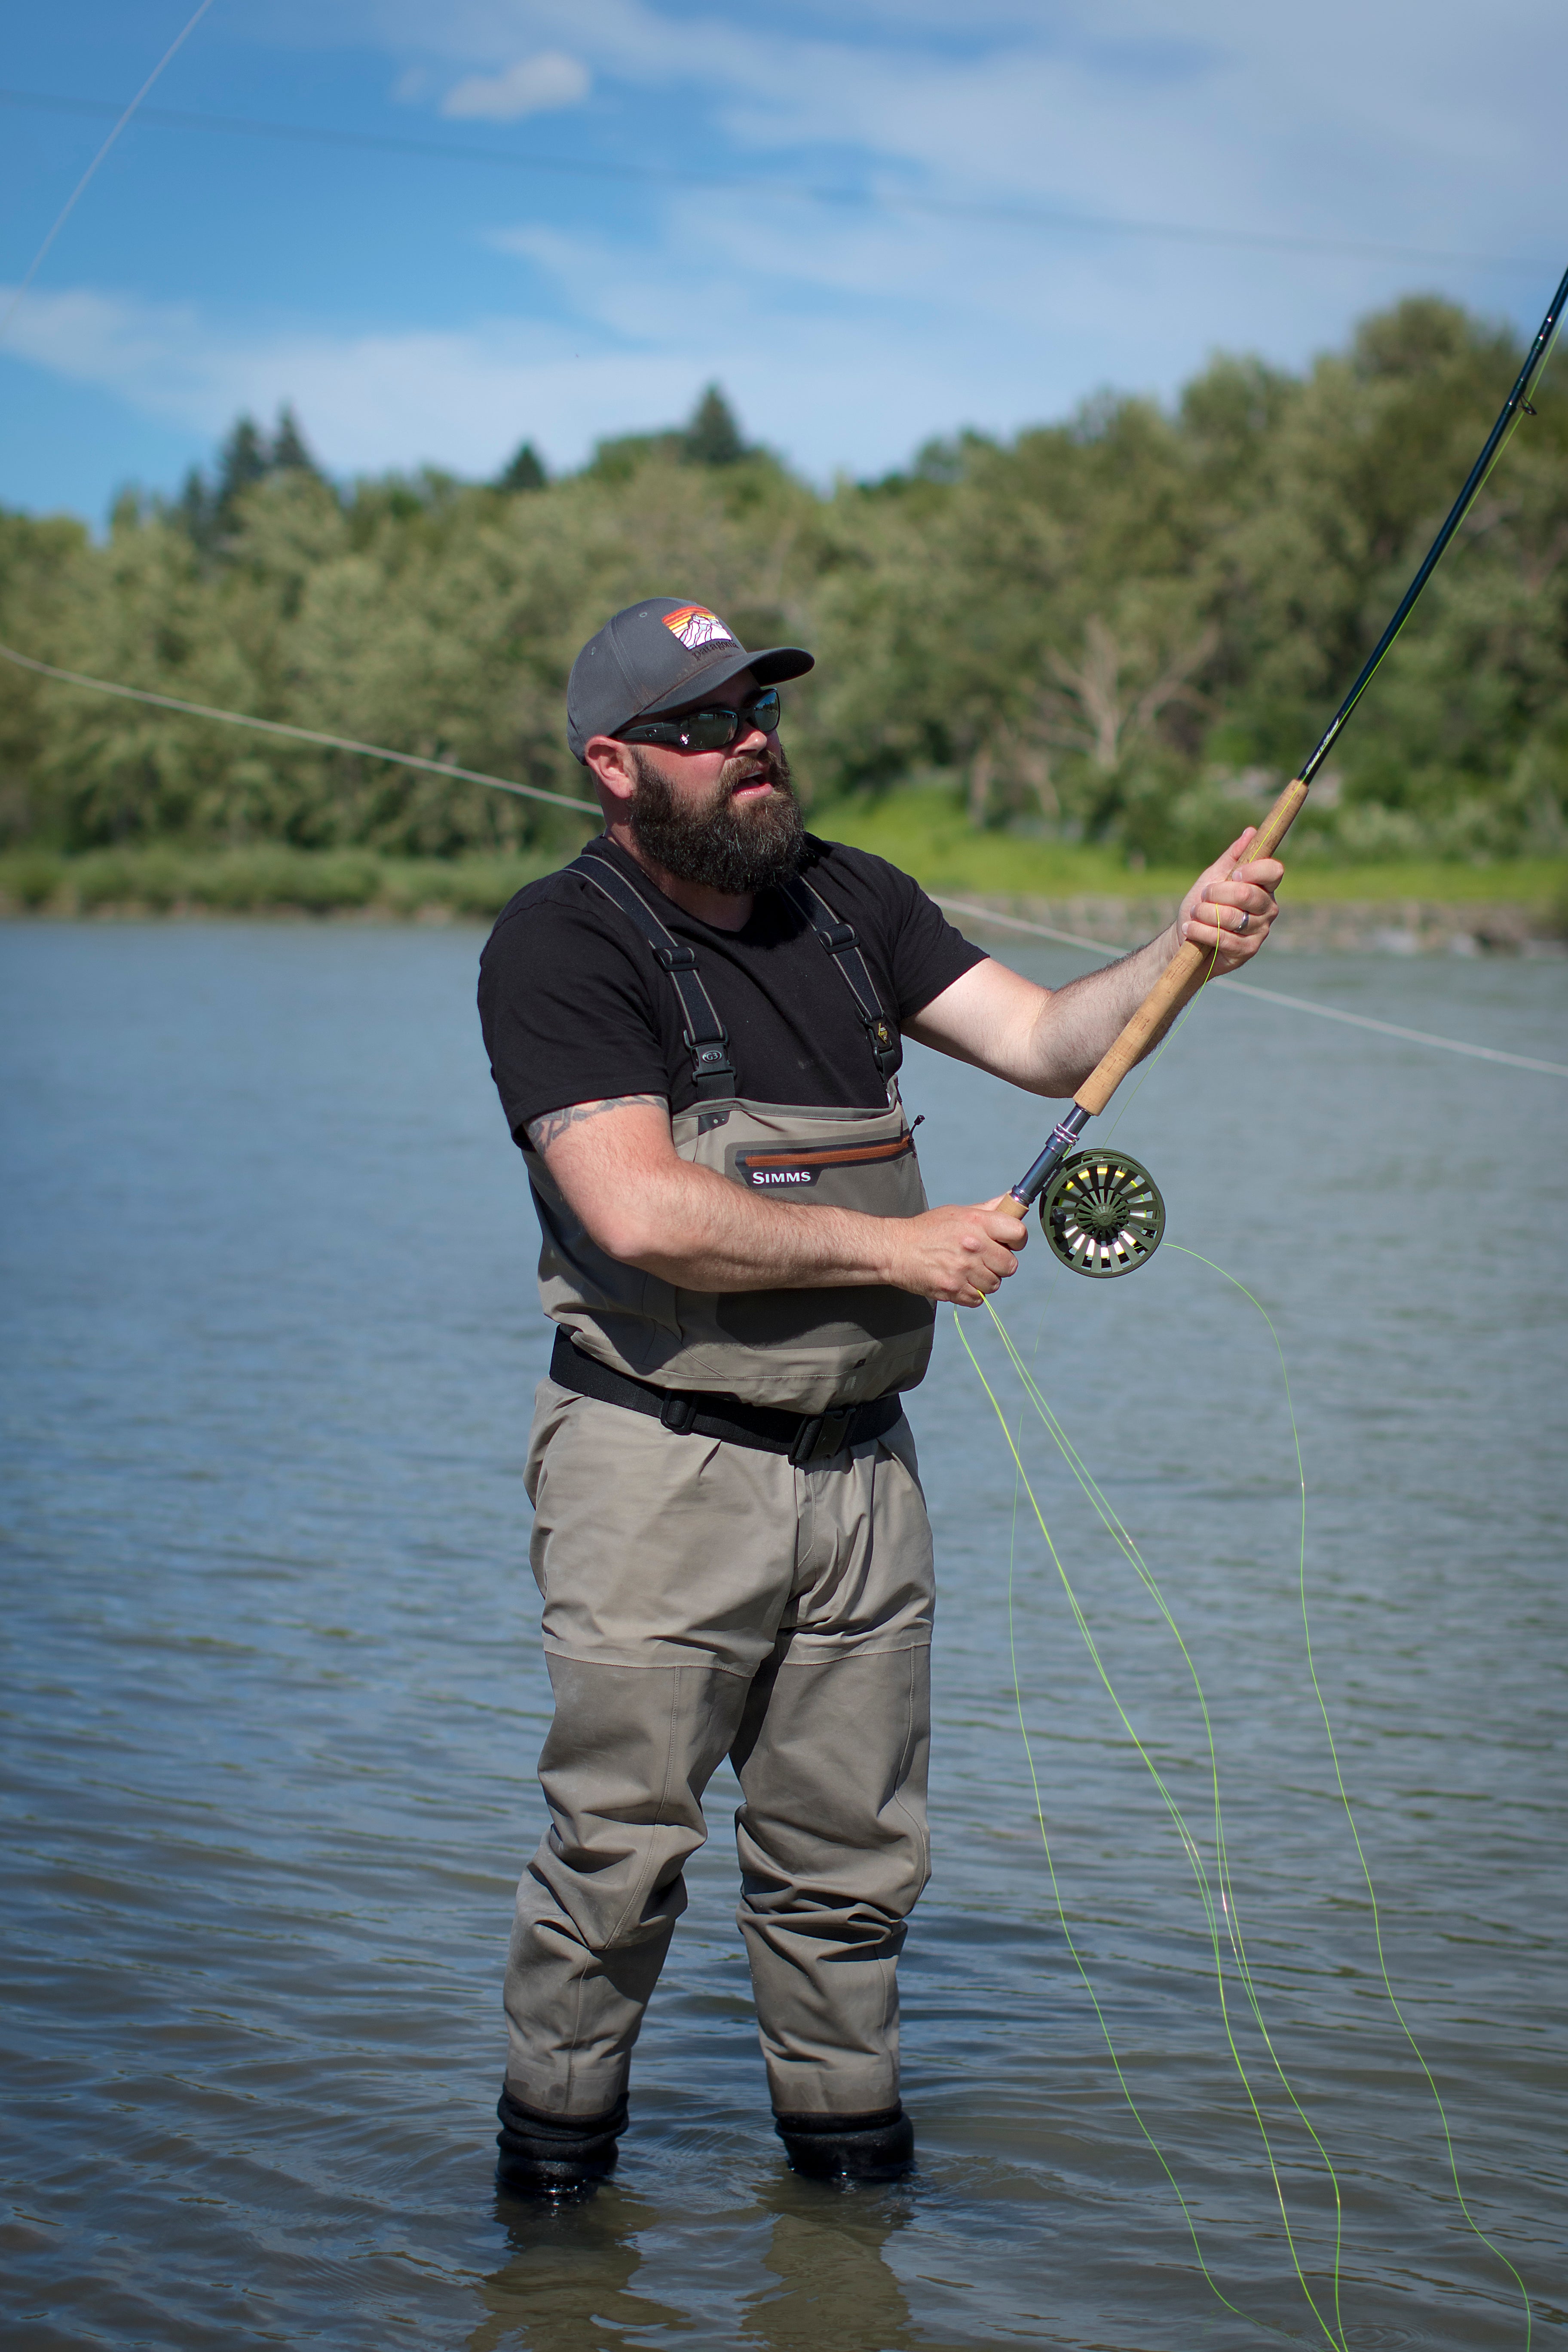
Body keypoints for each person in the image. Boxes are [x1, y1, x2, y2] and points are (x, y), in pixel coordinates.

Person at [477, 596, 1282, 2199]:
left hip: (865, 1477)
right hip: (657, 1470)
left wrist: (1181, 946)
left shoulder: (852, 899)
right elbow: (635, 1208)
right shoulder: (560, 945)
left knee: (851, 1867)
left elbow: (1046, 1040)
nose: (751, 742)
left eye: (761, 711)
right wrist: (900, 1247)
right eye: (705, 724)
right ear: (615, 765)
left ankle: (850, 2199)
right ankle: (553, 2212)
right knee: (616, 1863)